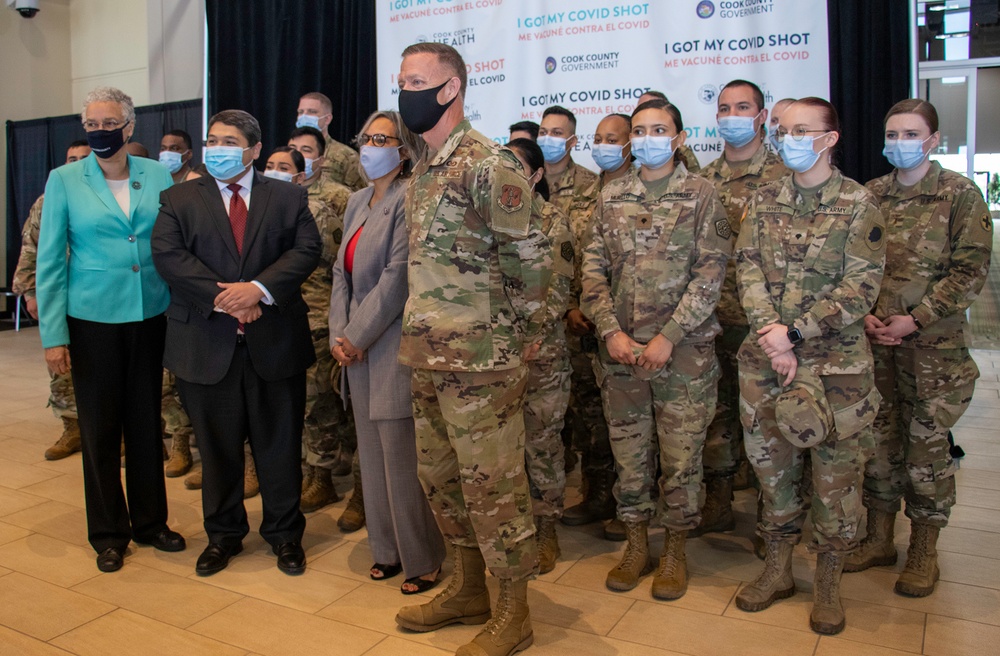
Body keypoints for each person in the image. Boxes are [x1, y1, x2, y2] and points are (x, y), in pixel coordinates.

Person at [392, 41, 550, 656]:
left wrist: (522, 337)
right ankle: (468, 589)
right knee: (441, 478)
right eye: (401, 81)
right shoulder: (425, 169)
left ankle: (515, 609)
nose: (405, 92)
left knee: (495, 485)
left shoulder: (488, 165)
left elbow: (532, 261)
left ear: (452, 88)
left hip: (482, 362)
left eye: (416, 80)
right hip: (427, 356)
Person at [734, 97, 886, 635]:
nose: (787, 137)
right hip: (766, 365)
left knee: (835, 482)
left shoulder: (859, 204)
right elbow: (747, 270)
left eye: (802, 129)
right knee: (772, 475)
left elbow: (862, 286)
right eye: (782, 128)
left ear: (830, 138)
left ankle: (827, 580)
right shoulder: (763, 199)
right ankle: (778, 570)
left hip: (836, 370)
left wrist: (797, 332)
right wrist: (772, 336)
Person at [151, 109, 321, 577]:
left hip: (275, 343)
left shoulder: (287, 197)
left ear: (254, 149)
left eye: (229, 141)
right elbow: (169, 256)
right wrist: (227, 298)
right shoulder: (178, 197)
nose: (217, 148)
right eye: (212, 140)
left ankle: (285, 536)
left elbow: (306, 250)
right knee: (218, 449)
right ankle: (224, 536)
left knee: (279, 447)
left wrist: (258, 290)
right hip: (206, 344)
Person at [581, 98, 729, 601]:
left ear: (680, 138)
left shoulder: (703, 194)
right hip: (621, 354)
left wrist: (669, 336)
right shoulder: (611, 196)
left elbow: (711, 274)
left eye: (659, 129)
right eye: (639, 130)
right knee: (629, 455)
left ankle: (675, 550)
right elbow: (592, 270)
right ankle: (636, 543)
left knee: (682, 457)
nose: (647, 138)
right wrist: (609, 332)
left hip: (682, 354)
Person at [35, 87, 184, 572]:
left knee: (145, 422)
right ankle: (108, 532)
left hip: (149, 314)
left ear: (129, 125)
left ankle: (150, 522)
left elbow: (172, 242)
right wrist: (53, 336)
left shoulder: (157, 174)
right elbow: (51, 259)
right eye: (92, 124)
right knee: (100, 429)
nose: (100, 131)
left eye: (109, 122)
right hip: (92, 319)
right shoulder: (65, 179)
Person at [847, 99, 991, 598]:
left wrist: (917, 319)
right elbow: (855, 264)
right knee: (878, 441)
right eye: (893, 134)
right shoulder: (871, 194)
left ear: (932, 140)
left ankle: (924, 550)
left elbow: (970, 270)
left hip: (934, 350)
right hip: (875, 345)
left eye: (911, 134)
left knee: (926, 448)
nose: (900, 143)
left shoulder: (959, 195)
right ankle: (879, 538)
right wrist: (863, 310)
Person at [329, 109, 446, 595]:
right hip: (353, 346)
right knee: (371, 456)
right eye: (366, 137)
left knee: (400, 455)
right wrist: (341, 333)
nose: (370, 146)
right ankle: (387, 551)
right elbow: (342, 272)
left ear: (404, 148)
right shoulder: (357, 200)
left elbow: (398, 276)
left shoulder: (411, 195)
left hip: (392, 343)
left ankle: (423, 558)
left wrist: (356, 335)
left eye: (383, 138)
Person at [695, 80, 787, 538]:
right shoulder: (703, 180)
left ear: (762, 115)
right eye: (724, 107)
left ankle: (776, 520)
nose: (732, 115)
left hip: (765, 328)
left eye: (743, 107)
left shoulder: (785, 175)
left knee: (770, 424)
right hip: (710, 322)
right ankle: (719, 501)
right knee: (716, 416)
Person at [288, 126, 363, 528]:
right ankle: (309, 470)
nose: (296, 157)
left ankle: (327, 474)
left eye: (304, 151)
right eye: (291, 151)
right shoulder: (273, 201)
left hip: (321, 316)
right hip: (283, 316)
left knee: (323, 400)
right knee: (298, 401)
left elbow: (342, 266)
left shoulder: (334, 200)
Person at [561, 113, 631, 536]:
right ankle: (597, 494)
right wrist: (572, 306)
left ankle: (632, 505)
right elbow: (566, 256)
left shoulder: (642, 193)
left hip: (624, 329)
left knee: (629, 423)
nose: (604, 145)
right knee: (590, 419)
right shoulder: (583, 194)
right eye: (598, 138)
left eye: (613, 138)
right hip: (582, 328)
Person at [507, 137, 575, 574]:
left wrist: (530, 334)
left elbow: (561, 289)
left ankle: (547, 526)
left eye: (514, 166)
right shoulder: (486, 217)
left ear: (535, 176)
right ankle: (512, 530)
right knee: (503, 447)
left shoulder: (554, 222)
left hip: (542, 353)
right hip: (494, 353)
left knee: (542, 443)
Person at [12, 140, 91, 461]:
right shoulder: (47, 201)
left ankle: (113, 430)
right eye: (71, 158)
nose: (76, 163)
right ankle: (72, 427)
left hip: (96, 298)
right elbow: (31, 247)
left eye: (82, 159)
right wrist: (31, 292)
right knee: (62, 367)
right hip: (59, 299)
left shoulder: (105, 197)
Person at [296, 91, 364, 191]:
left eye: (312, 112)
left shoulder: (347, 156)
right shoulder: (290, 152)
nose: (304, 116)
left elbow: (359, 195)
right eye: (301, 112)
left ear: (327, 119)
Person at [638, 90, 701, 172]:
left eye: (652, 107)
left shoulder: (682, 152)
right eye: (640, 108)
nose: (646, 112)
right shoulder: (630, 147)